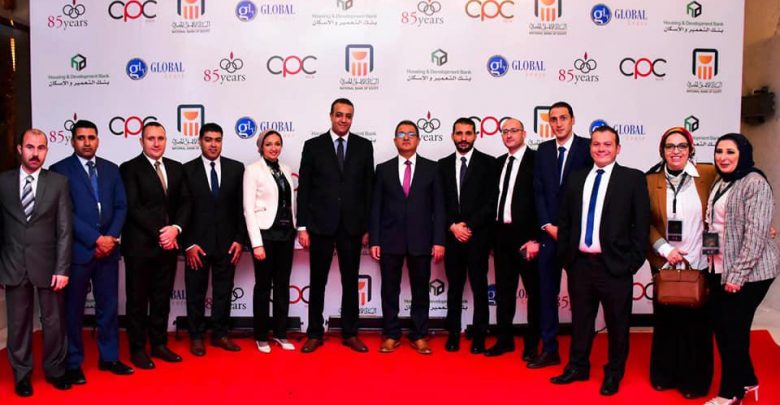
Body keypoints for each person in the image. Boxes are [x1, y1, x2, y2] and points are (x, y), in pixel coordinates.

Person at [551, 126, 650, 396]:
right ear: (590, 147)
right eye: (596, 144)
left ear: (618, 148)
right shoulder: (576, 178)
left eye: (607, 144)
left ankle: (614, 373)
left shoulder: (632, 179)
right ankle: (578, 366)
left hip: (615, 267)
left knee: (618, 324)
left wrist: (631, 263)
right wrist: (567, 258)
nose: (601, 149)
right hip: (580, 265)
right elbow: (565, 221)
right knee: (581, 321)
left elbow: (641, 226)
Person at [50, 120, 133, 385]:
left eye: (91, 137)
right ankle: (73, 363)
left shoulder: (111, 169)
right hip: (78, 251)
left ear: (98, 140)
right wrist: (95, 239)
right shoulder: (59, 170)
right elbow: (65, 212)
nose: (87, 142)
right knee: (73, 311)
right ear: (72, 141)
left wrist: (110, 239)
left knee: (108, 307)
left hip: (108, 251)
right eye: (81, 138)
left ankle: (109, 357)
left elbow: (121, 206)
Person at [704, 133, 779, 405]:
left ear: (743, 154)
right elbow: (713, 225)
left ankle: (730, 392)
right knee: (724, 327)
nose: (723, 157)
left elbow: (756, 235)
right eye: (719, 151)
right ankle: (747, 379)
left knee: (732, 330)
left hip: (752, 272)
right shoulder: (721, 181)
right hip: (721, 266)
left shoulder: (755, 183)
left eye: (730, 152)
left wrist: (737, 276)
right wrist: (710, 262)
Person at [296, 98, 375, 353]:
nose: (344, 119)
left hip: (352, 227)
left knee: (351, 282)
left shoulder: (364, 146)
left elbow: (368, 189)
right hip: (320, 226)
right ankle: (314, 333)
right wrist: (302, 227)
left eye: (348, 115)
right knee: (317, 281)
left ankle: (350, 333)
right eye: (339, 114)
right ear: (331, 116)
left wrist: (368, 227)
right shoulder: (313, 146)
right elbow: (304, 189)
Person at [0, 129, 73, 396]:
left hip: (49, 265)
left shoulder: (58, 183)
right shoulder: (3, 182)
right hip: (13, 263)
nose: (35, 153)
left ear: (46, 151)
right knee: (18, 324)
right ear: (20, 149)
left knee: (54, 323)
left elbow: (64, 229)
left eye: (41, 148)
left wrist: (62, 268)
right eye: (30, 147)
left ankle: (55, 371)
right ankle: (22, 375)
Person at [644, 127, 715, 399]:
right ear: (662, 151)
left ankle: (695, 381)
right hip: (665, 264)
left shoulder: (708, 174)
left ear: (691, 149)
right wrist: (664, 249)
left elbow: (730, 200)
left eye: (682, 146)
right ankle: (664, 375)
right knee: (666, 323)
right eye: (670, 146)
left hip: (700, 263)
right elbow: (643, 221)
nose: (676, 151)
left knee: (697, 326)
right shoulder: (650, 180)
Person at [369, 120, 446, 355]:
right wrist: (375, 240)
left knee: (421, 290)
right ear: (395, 140)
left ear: (418, 140)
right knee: (389, 290)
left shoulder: (432, 168)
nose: (406, 137)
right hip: (389, 239)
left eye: (411, 134)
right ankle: (391, 334)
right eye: (401, 134)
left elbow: (439, 208)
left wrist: (439, 240)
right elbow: (375, 207)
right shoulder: (383, 169)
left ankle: (419, 335)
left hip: (421, 240)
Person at [120, 122, 191, 369]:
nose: (156, 143)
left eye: (161, 138)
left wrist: (176, 229)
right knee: (137, 300)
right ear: (141, 141)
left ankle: (159, 344)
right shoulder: (129, 168)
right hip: (140, 247)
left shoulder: (176, 167)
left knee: (161, 299)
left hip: (168, 247)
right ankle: (138, 349)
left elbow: (186, 203)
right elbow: (133, 207)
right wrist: (162, 233)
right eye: (151, 138)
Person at [529, 101, 592, 369]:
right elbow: (538, 190)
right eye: (553, 119)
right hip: (549, 235)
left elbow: (593, 193)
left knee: (582, 298)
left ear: (572, 120)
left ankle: (580, 355)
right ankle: (549, 349)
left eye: (563, 118)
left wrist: (567, 230)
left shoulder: (588, 148)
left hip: (578, 237)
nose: (558, 123)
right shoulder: (543, 150)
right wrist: (546, 225)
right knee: (546, 294)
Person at [182, 123, 245, 356]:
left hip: (228, 245)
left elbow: (241, 208)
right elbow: (181, 210)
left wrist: (240, 239)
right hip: (197, 246)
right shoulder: (186, 170)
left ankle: (220, 334)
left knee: (224, 292)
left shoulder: (236, 168)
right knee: (195, 293)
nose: (213, 144)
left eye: (217, 140)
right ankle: (196, 336)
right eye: (208, 139)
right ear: (200, 141)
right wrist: (188, 244)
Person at [438, 117, 498, 353]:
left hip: (477, 238)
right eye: (459, 133)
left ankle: (480, 334)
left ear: (475, 135)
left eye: (468, 133)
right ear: (452, 136)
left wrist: (469, 226)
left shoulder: (489, 163)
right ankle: (453, 333)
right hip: (452, 237)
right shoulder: (442, 165)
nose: (463, 138)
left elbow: (491, 201)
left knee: (480, 287)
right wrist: (453, 226)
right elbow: (439, 202)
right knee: (454, 287)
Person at [486, 118, 541, 361]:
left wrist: (536, 238)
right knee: (504, 292)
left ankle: (532, 344)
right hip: (501, 235)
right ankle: (504, 340)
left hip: (527, 238)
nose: (508, 135)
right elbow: (492, 201)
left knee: (534, 293)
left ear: (524, 134)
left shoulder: (536, 161)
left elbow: (543, 201)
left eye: (513, 131)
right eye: (505, 131)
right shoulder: (498, 163)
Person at [244, 130, 297, 353]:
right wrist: (256, 243)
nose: (273, 148)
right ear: (261, 147)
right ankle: (261, 335)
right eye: (268, 144)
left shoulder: (285, 168)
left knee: (283, 286)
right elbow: (248, 209)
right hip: (265, 235)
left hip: (286, 235)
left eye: (277, 144)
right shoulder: (252, 170)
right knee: (263, 287)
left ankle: (281, 333)